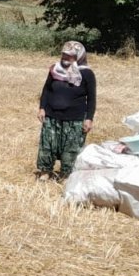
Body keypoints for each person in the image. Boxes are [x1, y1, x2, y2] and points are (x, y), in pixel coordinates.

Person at [36, 40, 96, 181]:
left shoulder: (87, 74)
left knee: (71, 148)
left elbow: (92, 98)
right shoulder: (55, 69)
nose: (65, 58)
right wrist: (42, 108)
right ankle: (45, 171)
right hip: (52, 115)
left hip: (74, 118)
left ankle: (66, 174)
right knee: (48, 145)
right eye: (64, 54)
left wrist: (89, 118)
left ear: (79, 57)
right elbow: (46, 90)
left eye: (69, 55)